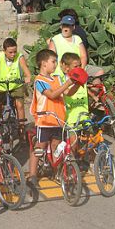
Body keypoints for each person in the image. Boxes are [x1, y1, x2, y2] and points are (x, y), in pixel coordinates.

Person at [27, 49, 77, 186]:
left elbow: (68, 92)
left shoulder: (57, 78)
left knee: (56, 147)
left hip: (58, 120)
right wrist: (68, 83)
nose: (55, 64)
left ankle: (55, 172)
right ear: (43, 63)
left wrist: (77, 84)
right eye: (53, 61)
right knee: (39, 148)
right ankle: (32, 175)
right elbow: (52, 95)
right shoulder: (39, 80)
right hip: (45, 121)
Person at [0, 37, 32, 125]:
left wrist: (28, 77)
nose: (13, 54)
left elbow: (26, 71)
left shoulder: (20, 57)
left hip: (16, 86)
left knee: (20, 105)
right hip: (2, 86)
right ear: (4, 51)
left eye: (15, 51)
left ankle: (21, 127)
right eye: (10, 52)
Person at [59, 52, 90, 126]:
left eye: (80, 66)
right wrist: (77, 84)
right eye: (75, 66)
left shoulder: (81, 77)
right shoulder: (62, 79)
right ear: (67, 67)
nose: (79, 68)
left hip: (84, 117)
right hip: (70, 120)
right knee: (73, 137)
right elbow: (68, 93)